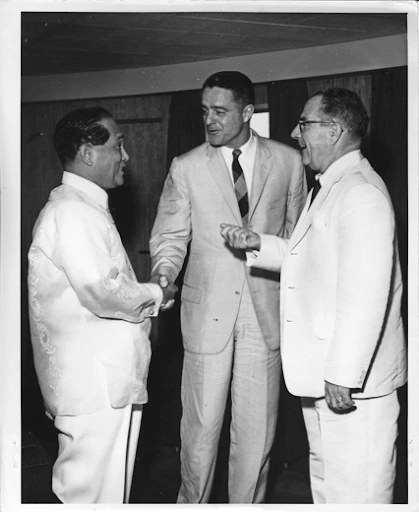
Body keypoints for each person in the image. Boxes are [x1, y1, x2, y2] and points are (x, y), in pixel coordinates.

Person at [220, 88, 407, 504]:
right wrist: (257, 243)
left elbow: (366, 294)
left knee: (357, 493)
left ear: (335, 131)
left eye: (304, 124)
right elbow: (308, 259)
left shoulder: (360, 193)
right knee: (329, 489)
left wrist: (343, 373)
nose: (294, 132)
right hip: (325, 376)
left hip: (351, 383)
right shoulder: (326, 187)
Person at [149, 70, 307, 503]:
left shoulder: (288, 161)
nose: (210, 121)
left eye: (220, 111)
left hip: (265, 315)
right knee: (199, 433)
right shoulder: (185, 166)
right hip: (206, 316)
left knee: (257, 437)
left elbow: (298, 241)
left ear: (247, 112)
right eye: (205, 111)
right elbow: (170, 237)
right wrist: (164, 272)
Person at [27, 107, 177, 504]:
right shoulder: (72, 212)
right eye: (118, 145)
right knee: (89, 496)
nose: (125, 157)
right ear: (87, 153)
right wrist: (158, 294)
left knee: (106, 496)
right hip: (94, 389)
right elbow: (102, 292)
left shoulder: (83, 208)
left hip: (105, 385)